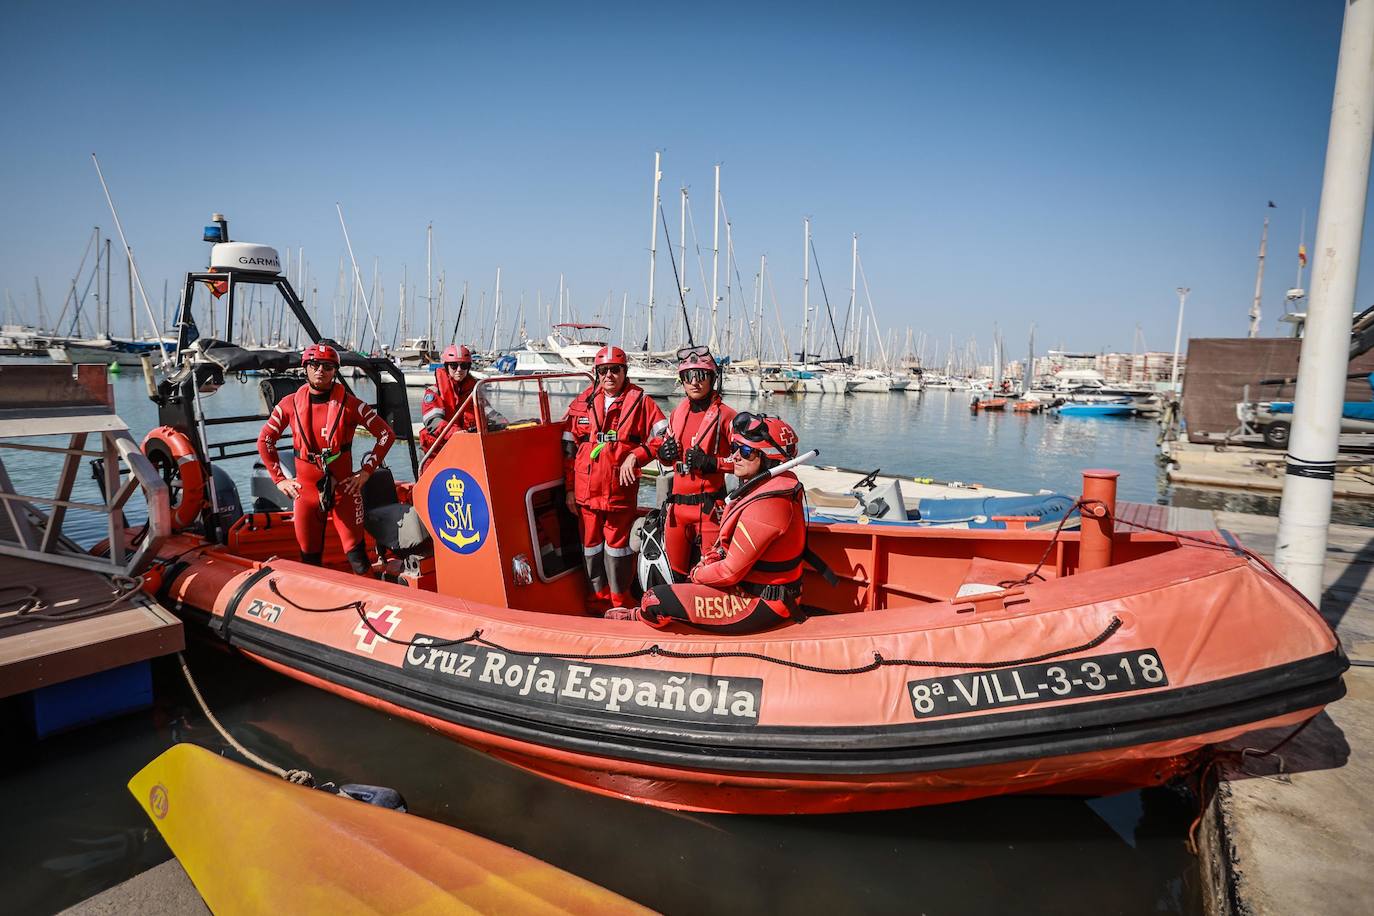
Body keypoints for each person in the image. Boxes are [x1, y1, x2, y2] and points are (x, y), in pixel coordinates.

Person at [610, 413, 806, 633]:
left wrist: (697, 574)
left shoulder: (767, 505)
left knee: (653, 599)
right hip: (757, 591)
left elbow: (729, 573)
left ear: (770, 458)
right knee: (681, 585)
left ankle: (640, 620)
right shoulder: (772, 489)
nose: (735, 456)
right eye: (734, 447)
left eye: (746, 451)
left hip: (758, 602)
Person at [257, 343, 396, 575]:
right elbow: (265, 441)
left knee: (358, 559)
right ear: (305, 367)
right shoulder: (288, 405)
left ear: (334, 371)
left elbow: (386, 434)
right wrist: (279, 479)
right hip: (306, 493)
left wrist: (366, 472)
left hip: (345, 491)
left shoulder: (351, 405)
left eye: (328, 366)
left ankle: (373, 604)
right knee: (309, 560)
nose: (321, 370)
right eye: (314, 364)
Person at [562, 345, 665, 610]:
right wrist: (570, 490)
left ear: (624, 372)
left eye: (615, 370)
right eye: (604, 370)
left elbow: (664, 436)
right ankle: (597, 601)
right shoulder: (582, 402)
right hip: (586, 493)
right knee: (591, 549)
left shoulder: (642, 402)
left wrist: (638, 455)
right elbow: (568, 447)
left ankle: (620, 603)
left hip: (619, 492)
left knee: (618, 550)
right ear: (597, 373)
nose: (609, 375)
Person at [652, 346, 736, 582]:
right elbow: (667, 455)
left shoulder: (727, 416)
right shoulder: (677, 413)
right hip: (677, 511)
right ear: (682, 381)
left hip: (710, 510)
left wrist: (712, 463)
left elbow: (745, 462)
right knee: (675, 574)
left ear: (712, 378)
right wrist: (663, 454)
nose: (695, 382)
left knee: (710, 575)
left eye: (701, 376)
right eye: (688, 377)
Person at [418, 344, 504, 466]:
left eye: (464, 366)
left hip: (465, 448)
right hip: (436, 451)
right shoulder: (434, 392)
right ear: (447, 366)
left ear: (468, 368)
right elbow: (433, 421)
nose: (459, 370)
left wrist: (504, 423)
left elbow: (488, 411)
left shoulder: (474, 391)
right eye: (454, 365)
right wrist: (456, 433)